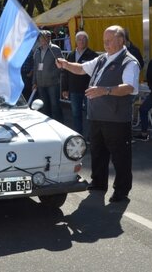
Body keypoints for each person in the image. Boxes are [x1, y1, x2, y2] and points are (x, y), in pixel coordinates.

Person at [56, 25, 140, 203]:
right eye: (104, 40)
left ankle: (121, 191)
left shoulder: (129, 62)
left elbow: (129, 88)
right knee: (98, 152)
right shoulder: (103, 58)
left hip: (116, 118)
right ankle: (98, 182)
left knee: (120, 156)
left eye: (109, 40)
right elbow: (81, 69)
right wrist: (66, 64)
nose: (105, 43)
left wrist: (104, 90)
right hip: (96, 116)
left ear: (121, 40)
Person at [61, 31, 98, 136]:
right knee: (76, 114)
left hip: (88, 90)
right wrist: (65, 88)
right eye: (79, 39)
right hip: (74, 89)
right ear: (76, 41)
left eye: (84, 39)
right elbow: (65, 73)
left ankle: (92, 137)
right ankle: (78, 136)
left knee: (90, 115)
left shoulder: (93, 55)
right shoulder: (71, 55)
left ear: (87, 41)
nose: (81, 41)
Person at [32, 30, 64, 123]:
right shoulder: (37, 51)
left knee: (55, 106)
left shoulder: (55, 49)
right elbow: (35, 67)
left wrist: (54, 75)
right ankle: (48, 125)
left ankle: (59, 125)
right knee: (45, 107)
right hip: (41, 83)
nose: (43, 39)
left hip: (52, 83)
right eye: (41, 37)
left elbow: (61, 65)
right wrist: (34, 82)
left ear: (49, 38)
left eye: (46, 37)